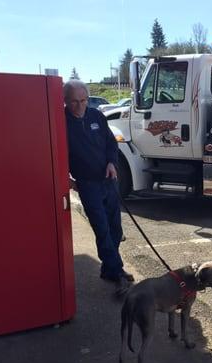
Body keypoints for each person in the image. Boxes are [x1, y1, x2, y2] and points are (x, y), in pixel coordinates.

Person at [63, 79, 133, 296]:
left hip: (108, 179)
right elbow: (55, 153)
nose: (80, 106)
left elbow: (111, 144)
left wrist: (112, 162)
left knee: (115, 229)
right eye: (74, 102)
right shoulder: (61, 122)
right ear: (65, 101)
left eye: (83, 100)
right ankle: (118, 271)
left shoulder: (97, 116)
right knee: (102, 229)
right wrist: (64, 178)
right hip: (87, 184)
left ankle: (108, 269)